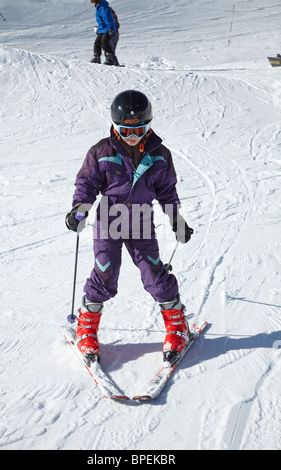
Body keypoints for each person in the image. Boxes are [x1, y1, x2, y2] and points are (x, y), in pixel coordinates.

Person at [65, 90, 193, 366]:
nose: (132, 135)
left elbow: (167, 191)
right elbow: (86, 185)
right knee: (105, 273)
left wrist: (176, 221)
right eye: (125, 129)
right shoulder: (101, 151)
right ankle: (85, 328)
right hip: (109, 220)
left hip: (140, 223)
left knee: (155, 274)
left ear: (149, 124)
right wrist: (80, 209)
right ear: (114, 125)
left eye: (139, 129)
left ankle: (177, 326)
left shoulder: (160, 155)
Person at [90, 0, 117, 66]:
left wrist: (111, 28)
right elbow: (100, 20)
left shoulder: (103, 6)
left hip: (107, 28)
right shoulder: (98, 7)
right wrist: (98, 29)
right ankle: (97, 58)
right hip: (101, 29)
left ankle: (109, 59)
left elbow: (109, 18)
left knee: (104, 43)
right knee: (97, 43)